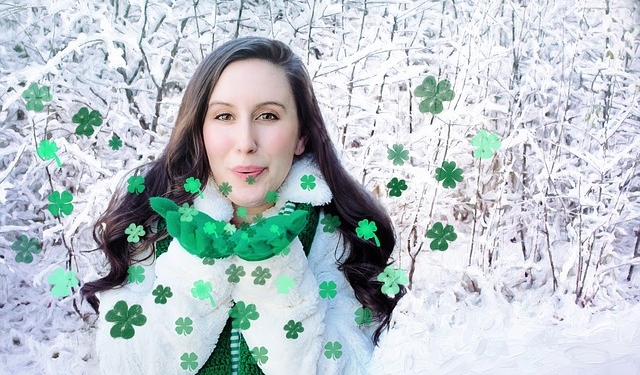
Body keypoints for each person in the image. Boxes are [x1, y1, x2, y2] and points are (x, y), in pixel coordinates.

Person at [82, 36, 403, 375]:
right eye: (224, 116)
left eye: (268, 115)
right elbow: (129, 365)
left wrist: (277, 271)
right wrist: (196, 266)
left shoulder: (335, 238)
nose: (246, 142)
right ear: (199, 131)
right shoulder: (150, 231)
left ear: (301, 136)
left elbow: (347, 366)